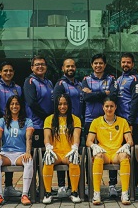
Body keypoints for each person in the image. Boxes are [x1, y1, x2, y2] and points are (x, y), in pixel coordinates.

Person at [87, 97, 134, 205]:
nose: (109, 109)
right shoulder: (96, 121)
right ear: (103, 107)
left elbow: (130, 139)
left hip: (116, 152)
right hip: (103, 152)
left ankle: (124, 193)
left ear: (115, 107)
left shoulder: (122, 121)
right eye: (107, 106)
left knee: (124, 156)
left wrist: (127, 144)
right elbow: (88, 140)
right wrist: (94, 145)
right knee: (97, 156)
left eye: (111, 106)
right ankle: (97, 193)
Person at [0, 95, 35, 206]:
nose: (14, 106)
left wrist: (28, 152)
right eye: (12, 104)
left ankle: (24, 194)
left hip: (20, 154)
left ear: (21, 106)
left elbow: (28, 138)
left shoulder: (27, 121)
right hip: (6, 153)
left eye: (17, 104)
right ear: (8, 106)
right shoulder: (2, 121)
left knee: (29, 161)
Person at [0, 61, 24, 198]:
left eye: (10, 70)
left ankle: (9, 186)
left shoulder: (17, 88)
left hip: (15, 126)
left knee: (13, 152)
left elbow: (20, 105)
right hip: (0, 127)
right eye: (5, 71)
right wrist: (6, 122)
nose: (8, 73)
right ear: (0, 72)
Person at [41, 95, 83, 204]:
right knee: (48, 160)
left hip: (68, 152)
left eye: (65, 104)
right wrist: (48, 146)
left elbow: (76, 135)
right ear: (56, 105)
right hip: (55, 152)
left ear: (69, 105)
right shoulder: (49, 119)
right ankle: (48, 192)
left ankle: (74, 192)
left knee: (74, 160)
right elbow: (47, 136)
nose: (62, 106)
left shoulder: (75, 119)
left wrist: (75, 147)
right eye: (60, 104)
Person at [113, 53, 138, 198]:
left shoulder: (136, 79)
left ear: (133, 64)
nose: (126, 65)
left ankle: (134, 186)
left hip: (133, 123)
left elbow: (136, 102)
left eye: (128, 62)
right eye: (123, 62)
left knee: (134, 156)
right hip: (120, 123)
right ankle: (125, 184)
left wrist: (130, 122)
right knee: (123, 155)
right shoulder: (119, 79)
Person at [52, 57, 83, 197]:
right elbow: (57, 105)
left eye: (73, 66)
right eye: (68, 66)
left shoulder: (78, 84)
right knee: (61, 150)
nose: (71, 68)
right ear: (63, 69)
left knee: (74, 153)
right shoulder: (60, 84)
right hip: (63, 123)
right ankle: (61, 186)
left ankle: (73, 186)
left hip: (76, 123)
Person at [23, 55, 53, 149]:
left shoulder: (49, 83)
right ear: (32, 68)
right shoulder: (30, 82)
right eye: (37, 64)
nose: (40, 67)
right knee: (37, 153)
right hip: (36, 125)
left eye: (42, 64)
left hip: (48, 124)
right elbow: (32, 103)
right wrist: (46, 116)